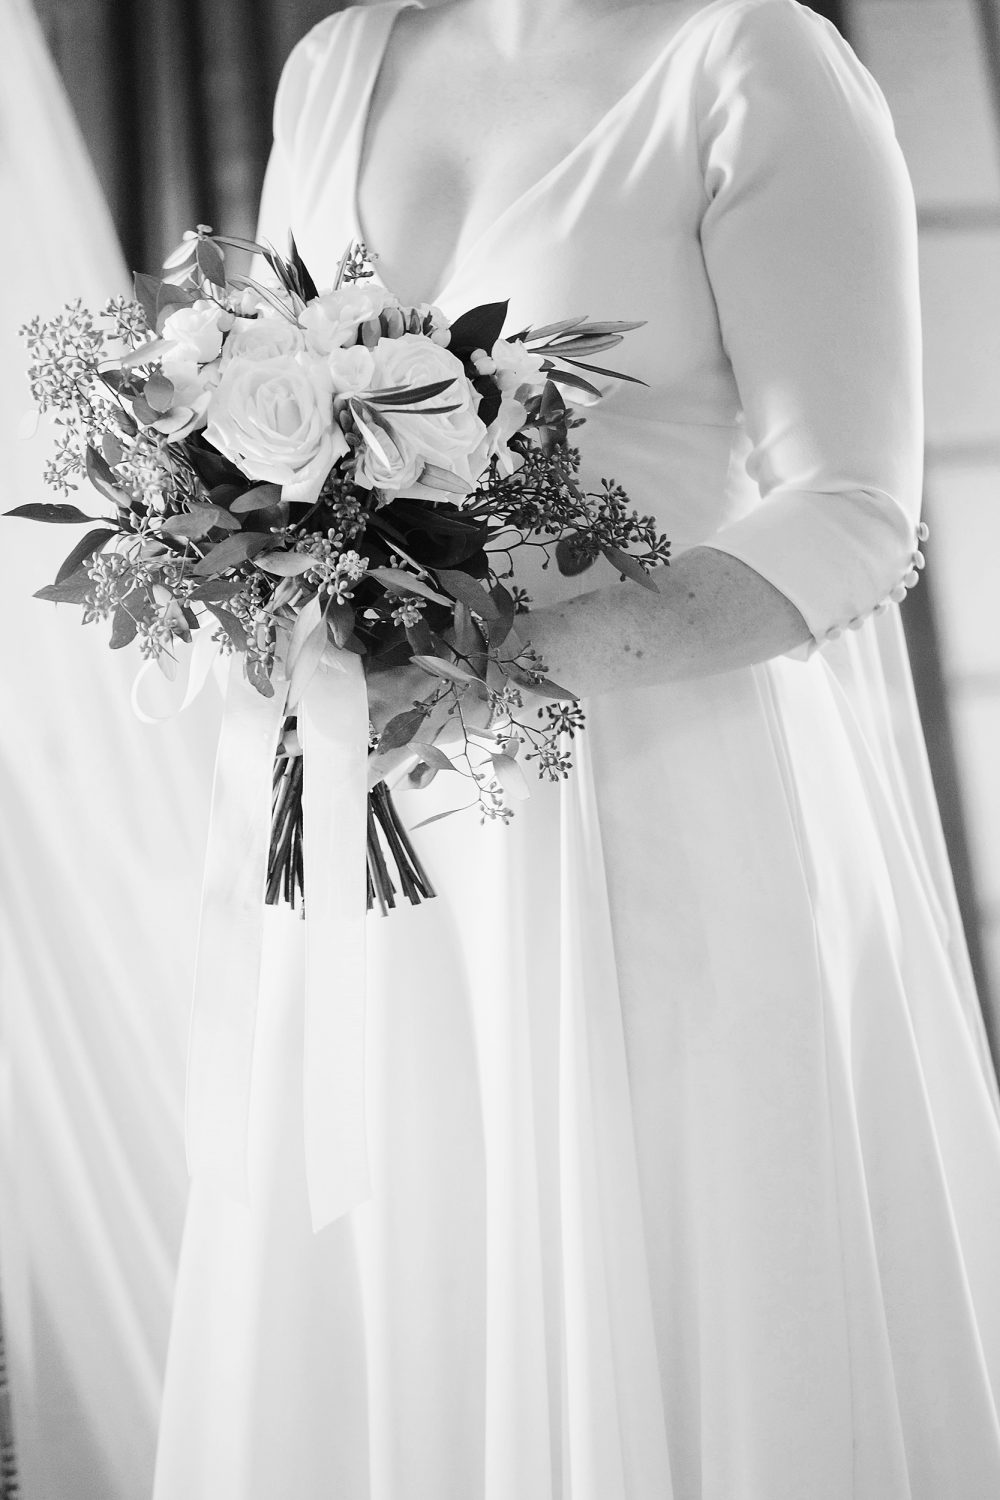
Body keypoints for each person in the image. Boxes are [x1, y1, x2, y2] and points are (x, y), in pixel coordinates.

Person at [153, 1, 1000, 1496]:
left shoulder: (752, 61)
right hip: (391, 846)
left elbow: (858, 515)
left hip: (652, 818)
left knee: (673, 1302)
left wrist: (490, 678)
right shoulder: (334, 64)